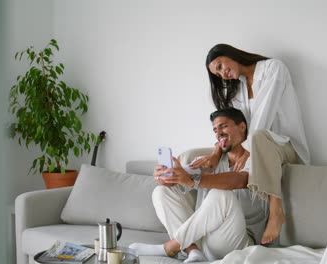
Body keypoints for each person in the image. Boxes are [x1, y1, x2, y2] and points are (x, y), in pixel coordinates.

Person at [190, 44, 311, 244]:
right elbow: (237, 129)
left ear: (229, 54)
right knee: (194, 156)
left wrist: (248, 152)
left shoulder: (274, 68)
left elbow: (264, 116)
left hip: (287, 146)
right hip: (257, 147)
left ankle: (276, 211)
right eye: (218, 74)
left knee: (258, 137)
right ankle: (207, 227)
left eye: (220, 66)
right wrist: (214, 153)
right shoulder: (238, 89)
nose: (223, 75)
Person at [129, 108, 267, 262]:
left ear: (242, 127)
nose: (218, 132)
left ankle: (171, 247)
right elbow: (183, 175)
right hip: (202, 239)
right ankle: (193, 251)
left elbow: (239, 180)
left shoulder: (256, 160)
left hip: (238, 242)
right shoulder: (208, 161)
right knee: (161, 191)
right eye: (215, 129)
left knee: (221, 194)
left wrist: (194, 180)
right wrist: (165, 177)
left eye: (223, 126)